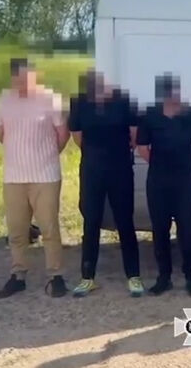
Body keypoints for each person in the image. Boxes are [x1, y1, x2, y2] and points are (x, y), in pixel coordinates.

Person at [0, 58, 70, 299]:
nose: (23, 81)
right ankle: (18, 276)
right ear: (13, 77)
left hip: (45, 175)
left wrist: (46, 155)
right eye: (19, 77)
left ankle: (56, 276)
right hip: (14, 177)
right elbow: (1, 133)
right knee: (17, 230)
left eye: (27, 76)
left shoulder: (50, 99)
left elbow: (62, 135)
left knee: (49, 228)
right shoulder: (2, 101)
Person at [69, 70, 143, 298]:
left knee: (125, 222)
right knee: (91, 222)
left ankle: (134, 276)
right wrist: (96, 154)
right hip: (92, 170)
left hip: (120, 169)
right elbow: (77, 136)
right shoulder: (79, 103)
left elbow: (134, 135)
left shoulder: (124, 101)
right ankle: (87, 278)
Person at [137, 73, 191, 297]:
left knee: (187, 231)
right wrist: (160, 164)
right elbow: (142, 147)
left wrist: (186, 164)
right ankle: (164, 277)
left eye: (175, 91)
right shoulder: (150, 115)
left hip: (184, 182)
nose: (172, 96)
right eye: (167, 92)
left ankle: (190, 276)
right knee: (160, 231)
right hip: (157, 183)